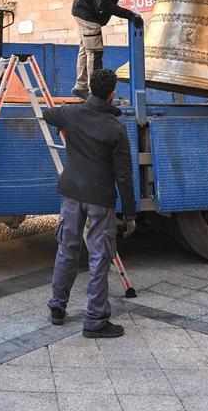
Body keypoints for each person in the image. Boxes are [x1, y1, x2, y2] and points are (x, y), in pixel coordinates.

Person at [44, 68, 137, 338]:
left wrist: (69, 113)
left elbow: (49, 114)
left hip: (72, 194)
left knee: (67, 250)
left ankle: (57, 308)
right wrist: (130, 213)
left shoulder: (71, 114)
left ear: (90, 89)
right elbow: (124, 175)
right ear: (112, 93)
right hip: (99, 199)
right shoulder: (115, 128)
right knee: (99, 257)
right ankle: (95, 320)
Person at [71, 0, 160, 100]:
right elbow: (104, 4)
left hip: (91, 13)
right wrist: (130, 14)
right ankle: (95, 94)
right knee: (95, 52)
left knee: (86, 49)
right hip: (87, 14)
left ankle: (81, 86)